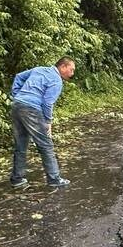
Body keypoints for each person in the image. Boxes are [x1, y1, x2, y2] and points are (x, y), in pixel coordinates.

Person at [9, 57, 76, 188]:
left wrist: (17, 95)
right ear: (63, 67)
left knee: (21, 144)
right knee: (46, 144)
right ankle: (54, 179)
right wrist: (48, 122)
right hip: (32, 109)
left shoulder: (39, 69)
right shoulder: (56, 80)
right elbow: (47, 103)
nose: (72, 73)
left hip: (17, 105)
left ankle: (17, 179)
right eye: (71, 69)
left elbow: (19, 77)